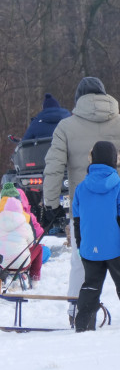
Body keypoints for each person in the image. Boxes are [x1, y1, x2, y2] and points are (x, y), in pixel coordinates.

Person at [42, 76, 120, 320]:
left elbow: (54, 167)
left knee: (81, 260)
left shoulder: (66, 126)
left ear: (79, 99)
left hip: (84, 208)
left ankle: (77, 309)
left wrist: (51, 203)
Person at [72, 141, 120, 331]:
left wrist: (80, 243)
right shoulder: (117, 186)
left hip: (90, 248)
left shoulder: (81, 188)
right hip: (115, 247)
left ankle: (83, 325)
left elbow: (77, 220)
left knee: (91, 286)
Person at [0, 182, 43, 284]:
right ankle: (34, 277)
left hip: (2, 263)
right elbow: (32, 243)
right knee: (39, 248)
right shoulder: (25, 221)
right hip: (22, 263)